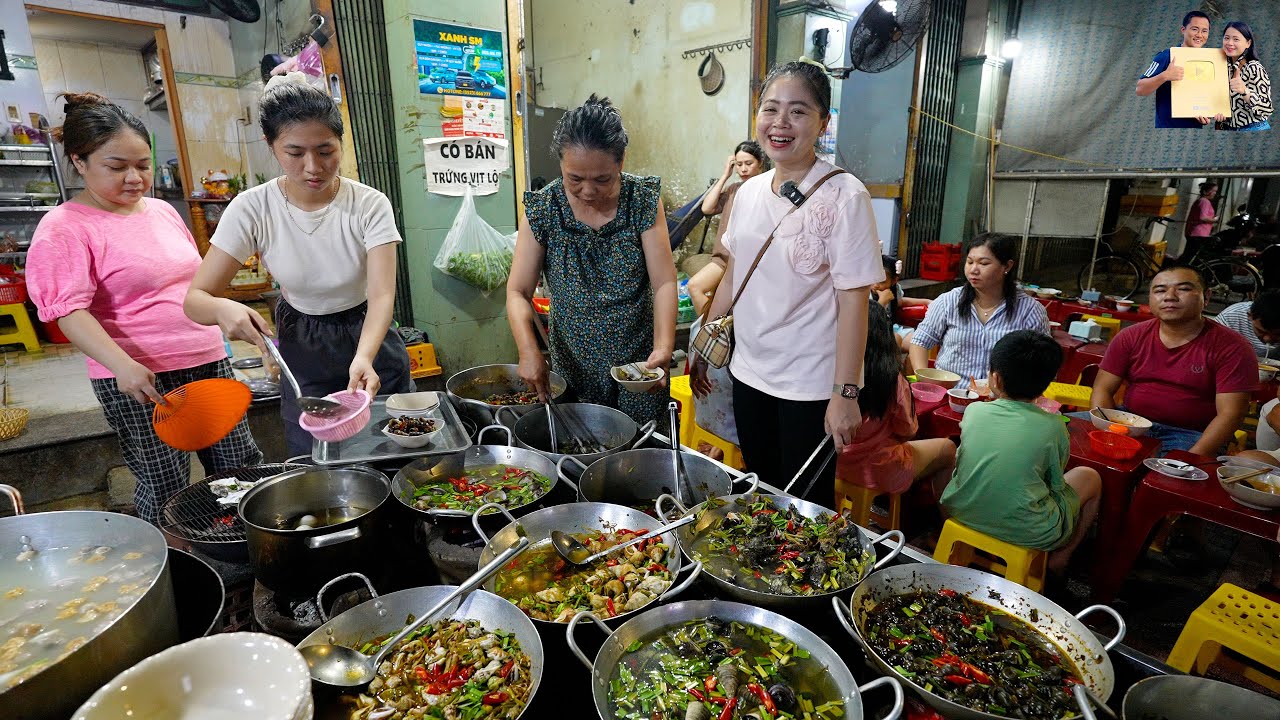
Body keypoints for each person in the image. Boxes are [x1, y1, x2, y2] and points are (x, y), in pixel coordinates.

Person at [26, 93, 261, 524]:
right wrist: (122, 365)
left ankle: (243, 549)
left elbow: (192, 286)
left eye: (143, 165)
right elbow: (68, 311)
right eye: (117, 167)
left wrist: (223, 311)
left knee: (239, 467)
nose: (135, 178)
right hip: (142, 377)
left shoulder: (161, 212)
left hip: (207, 360)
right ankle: (174, 565)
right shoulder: (64, 227)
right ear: (79, 162)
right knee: (164, 479)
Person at [184, 73, 412, 456]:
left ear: (341, 143)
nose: (313, 167)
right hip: (301, 340)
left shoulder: (369, 204)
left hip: (368, 332)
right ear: (271, 146)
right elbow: (195, 299)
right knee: (313, 455)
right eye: (294, 153)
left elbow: (382, 294)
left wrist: (364, 356)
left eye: (326, 151)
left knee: (388, 448)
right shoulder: (252, 208)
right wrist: (223, 307)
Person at [692, 60, 884, 493]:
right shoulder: (749, 192)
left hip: (811, 386)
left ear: (823, 123)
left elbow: (854, 303)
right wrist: (705, 340)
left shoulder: (845, 195)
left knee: (806, 504)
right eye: (770, 109)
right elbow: (735, 273)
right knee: (762, 491)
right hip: (749, 373)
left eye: (798, 111)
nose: (780, 123)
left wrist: (846, 394)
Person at [507, 95, 677, 425]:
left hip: (637, 367)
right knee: (578, 456)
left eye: (602, 179)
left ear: (621, 161)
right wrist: (528, 351)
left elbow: (665, 282)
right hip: (571, 367)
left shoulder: (641, 200)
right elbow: (518, 292)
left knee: (636, 461)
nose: (587, 191)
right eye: (575, 179)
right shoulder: (544, 208)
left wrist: (664, 346)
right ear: (561, 164)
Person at [938, 331, 1101, 573]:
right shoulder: (1054, 426)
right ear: (1047, 384)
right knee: (1090, 476)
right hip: (1032, 532)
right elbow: (1056, 484)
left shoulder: (974, 412)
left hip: (960, 512)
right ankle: (1061, 557)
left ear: (996, 379)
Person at [1090, 266, 1257, 455]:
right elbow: (1102, 388)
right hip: (1128, 421)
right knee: (1061, 434)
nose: (1169, 296)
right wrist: (1107, 430)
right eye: (1160, 290)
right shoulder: (1130, 336)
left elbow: (1231, 414)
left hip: (1190, 434)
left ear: (1207, 297)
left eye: (1184, 289)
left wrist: (1188, 459)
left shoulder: (1233, 347)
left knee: (1161, 477)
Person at [835, 304, 955, 505]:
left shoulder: (830, 373)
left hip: (836, 465)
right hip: (878, 469)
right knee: (948, 447)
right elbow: (907, 430)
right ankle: (939, 522)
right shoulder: (891, 379)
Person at [908, 234, 1050, 389]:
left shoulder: (1029, 310)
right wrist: (926, 383)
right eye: (969, 262)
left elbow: (1043, 359)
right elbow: (919, 342)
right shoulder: (948, 301)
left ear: (1007, 266)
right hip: (951, 394)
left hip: (1002, 401)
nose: (973, 270)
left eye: (984, 263)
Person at [688, 141, 767, 317]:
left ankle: (722, 333)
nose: (743, 169)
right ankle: (713, 334)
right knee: (695, 286)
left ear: (760, 163)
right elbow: (706, 208)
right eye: (739, 164)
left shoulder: (766, 190)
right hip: (722, 259)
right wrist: (725, 175)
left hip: (746, 262)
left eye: (748, 163)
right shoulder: (734, 189)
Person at [1135, 10, 1211, 129]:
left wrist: (1208, 112)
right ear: (1183, 30)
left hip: (1194, 132)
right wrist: (1165, 75)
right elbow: (1140, 89)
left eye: (1204, 31)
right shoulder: (1166, 56)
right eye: (1195, 29)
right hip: (1167, 130)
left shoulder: (1209, 62)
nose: (1199, 35)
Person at [1217, 22, 1272, 132]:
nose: (1229, 43)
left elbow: (1266, 108)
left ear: (1248, 43)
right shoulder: (1222, 67)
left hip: (1253, 129)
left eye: (1236, 39)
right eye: (1226, 38)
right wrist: (1219, 114)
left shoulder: (1254, 68)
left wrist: (1245, 91)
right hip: (1229, 129)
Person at [873, 254, 930, 351]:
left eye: (881, 282)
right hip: (872, 333)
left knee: (919, 343)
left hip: (891, 329)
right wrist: (881, 302)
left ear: (894, 281)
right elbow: (870, 319)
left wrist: (927, 301)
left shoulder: (894, 290)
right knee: (896, 339)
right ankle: (895, 366)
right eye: (873, 279)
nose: (875, 285)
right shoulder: (864, 293)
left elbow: (901, 301)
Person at [1213, 290, 1280, 360]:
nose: (1267, 339)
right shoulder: (1231, 318)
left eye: (1277, 334)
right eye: (1261, 331)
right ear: (1250, 315)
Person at [1180, 181, 1218, 262]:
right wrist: (1214, 220)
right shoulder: (1204, 201)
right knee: (1189, 258)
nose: (1215, 193)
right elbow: (1202, 217)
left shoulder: (1201, 201)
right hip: (1198, 234)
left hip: (1196, 233)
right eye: (1213, 191)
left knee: (1189, 257)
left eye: (1216, 191)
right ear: (1206, 191)